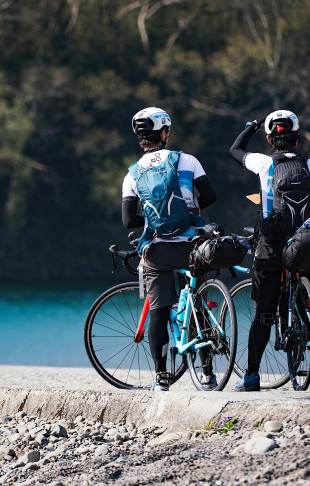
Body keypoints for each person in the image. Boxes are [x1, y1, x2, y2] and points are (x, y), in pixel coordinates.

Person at [228, 109, 310, 391]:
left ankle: (251, 376)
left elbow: (235, 150)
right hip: (306, 245)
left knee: (263, 313)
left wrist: (251, 125)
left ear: (270, 140)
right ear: (297, 137)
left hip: (272, 245)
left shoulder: (263, 164)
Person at [122, 106, 217, 391]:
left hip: (158, 250)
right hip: (193, 246)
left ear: (140, 137)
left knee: (160, 311)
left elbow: (128, 220)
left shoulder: (132, 174)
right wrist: (187, 214)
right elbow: (210, 196)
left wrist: (155, 218)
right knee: (200, 305)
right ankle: (207, 373)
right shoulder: (188, 160)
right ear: (164, 133)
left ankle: (162, 376)